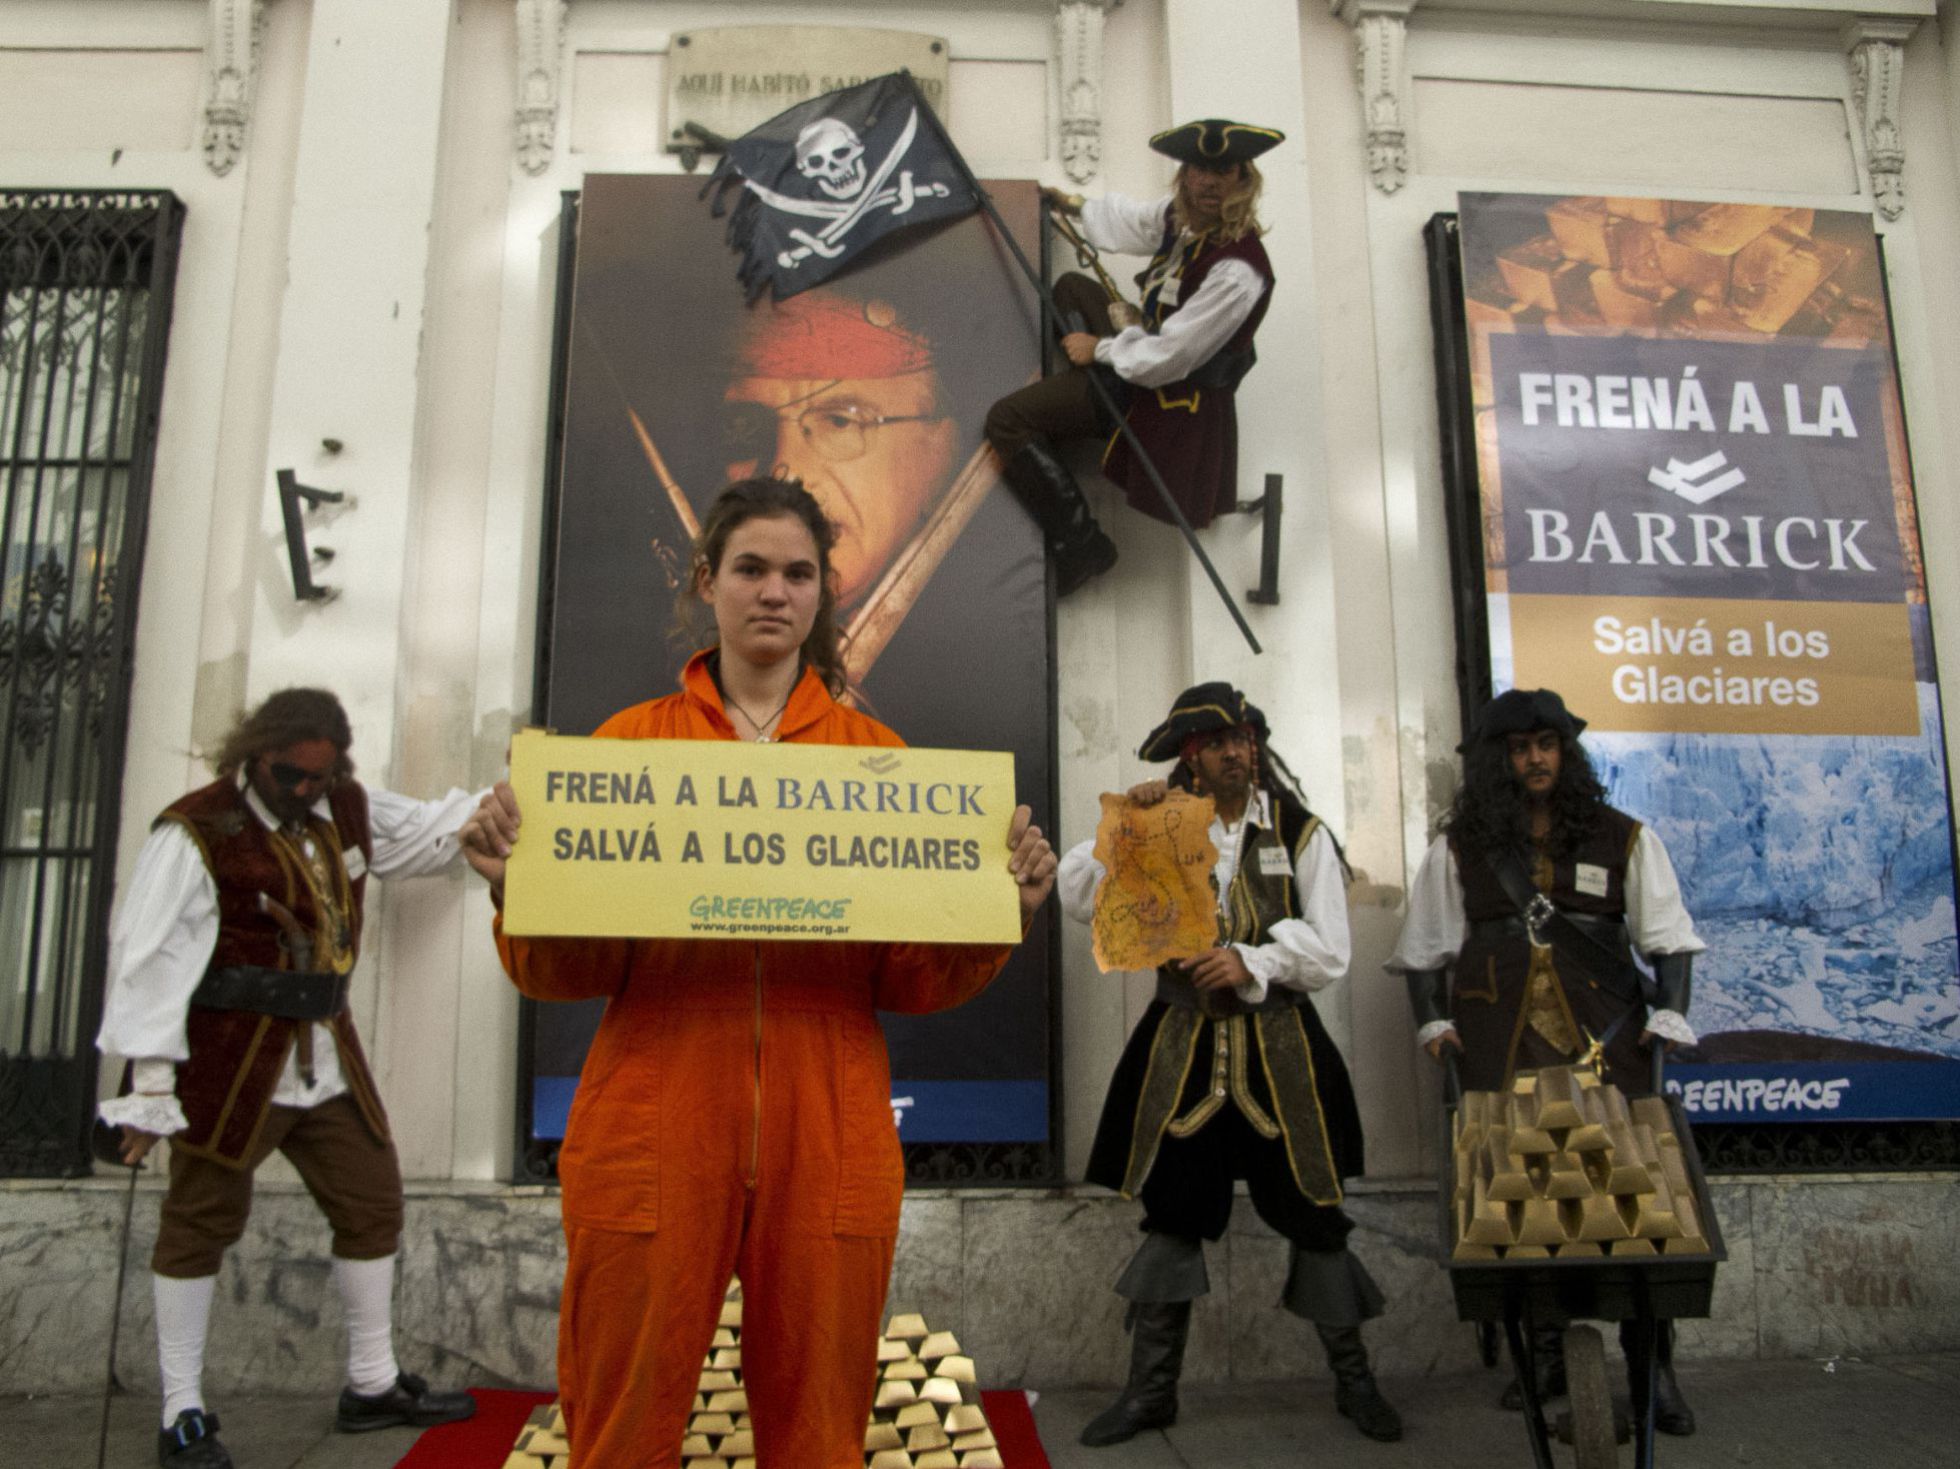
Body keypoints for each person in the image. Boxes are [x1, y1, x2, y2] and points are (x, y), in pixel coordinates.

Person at [458, 478, 1058, 1469]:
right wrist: (514, 888)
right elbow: (566, 969)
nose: (774, 591)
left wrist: (1004, 913)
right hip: (654, 1112)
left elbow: (912, 981)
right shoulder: (627, 751)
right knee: (620, 1420)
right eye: (750, 568)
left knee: (820, 1427)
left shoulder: (880, 763)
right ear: (706, 581)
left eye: (798, 572)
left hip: (828, 1118)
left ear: (822, 592)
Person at [95, 689, 481, 1469]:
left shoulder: (346, 806)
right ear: (254, 755)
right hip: (230, 1059)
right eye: (290, 775)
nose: (304, 789)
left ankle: (371, 1381)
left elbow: (431, 831)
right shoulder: (199, 829)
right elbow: (151, 960)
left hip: (326, 1055)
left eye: (320, 776)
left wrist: (518, 795)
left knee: (372, 1200)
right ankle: (182, 1411)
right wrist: (150, 1090)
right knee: (200, 1220)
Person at [1057, 683, 1402, 1447]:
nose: (1238, 752)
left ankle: (1356, 1382)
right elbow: (1077, 892)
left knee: (1317, 1215)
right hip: (1182, 1053)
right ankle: (1151, 1394)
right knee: (1174, 1215)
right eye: (1219, 743)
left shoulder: (1300, 830)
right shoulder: (1156, 823)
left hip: (1284, 1053)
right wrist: (1127, 820)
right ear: (1191, 757)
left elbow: (1331, 948)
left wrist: (1252, 959)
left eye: (1245, 738)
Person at [1388, 687, 1703, 1434]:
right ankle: (1548, 1358)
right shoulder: (1457, 849)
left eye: (1547, 744)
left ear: (1566, 752)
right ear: (1499, 760)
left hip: (1609, 1044)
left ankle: (1653, 1367)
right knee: (1520, 1194)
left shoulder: (1624, 837)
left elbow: (1668, 940)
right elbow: (1424, 951)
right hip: (1502, 1046)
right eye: (1520, 748)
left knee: (1641, 1199)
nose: (1535, 759)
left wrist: (1667, 1013)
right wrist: (1433, 1020)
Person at [984, 118, 1284, 596]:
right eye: (1198, 170)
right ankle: (1076, 404)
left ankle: (1083, 545)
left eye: (1222, 171)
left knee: (1006, 420)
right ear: (1185, 175)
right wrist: (1072, 204)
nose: (1208, 182)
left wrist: (1099, 349)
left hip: (1162, 397)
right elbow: (1136, 221)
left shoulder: (1237, 271)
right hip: (1141, 354)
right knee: (1071, 288)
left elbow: (1170, 357)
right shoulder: (1187, 222)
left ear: (1243, 180)